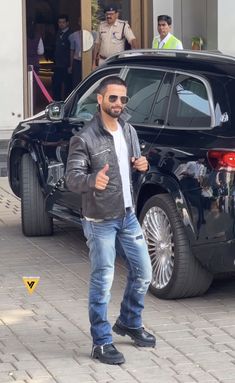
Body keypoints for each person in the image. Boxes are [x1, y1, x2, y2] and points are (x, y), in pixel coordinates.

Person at [65, 76, 156, 365]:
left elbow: (134, 166)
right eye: (113, 98)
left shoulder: (128, 130)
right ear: (100, 100)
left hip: (128, 215)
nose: (118, 103)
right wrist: (93, 179)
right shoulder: (84, 137)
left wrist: (142, 165)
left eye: (123, 99)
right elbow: (71, 178)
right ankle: (101, 342)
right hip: (99, 218)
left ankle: (129, 321)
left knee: (144, 273)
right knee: (103, 280)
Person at [92, 4, 138, 69]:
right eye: (107, 14)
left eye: (111, 14)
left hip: (117, 61)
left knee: (115, 79)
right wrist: (94, 62)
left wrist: (135, 57)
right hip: (102, 61)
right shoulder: (101, 26)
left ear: (117, 15)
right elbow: (97, 44)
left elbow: (132, 40)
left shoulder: (123, 26)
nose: (108, 16)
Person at [52, 14, 72, 101]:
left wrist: (71, 66)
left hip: (67, 65)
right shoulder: (57, 33)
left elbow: (72, 50)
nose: (61, 24)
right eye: (59, 22)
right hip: (58, 65)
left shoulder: (71, 34)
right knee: (56, 85)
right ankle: (57, 103)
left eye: (63, 22)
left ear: (67, 23)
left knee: (68, 86)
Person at [69, 17, 82, 89]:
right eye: (81, 21)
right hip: (77, 61)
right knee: (76, 83)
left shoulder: (94, 34)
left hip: (88, 61)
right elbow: (72, 50)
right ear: (79, 23)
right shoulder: (73, 35)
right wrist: (71, 65)